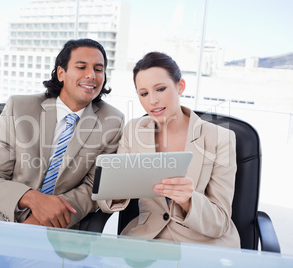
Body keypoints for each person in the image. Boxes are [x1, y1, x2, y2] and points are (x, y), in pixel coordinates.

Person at [0, 38, 124, 229]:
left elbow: (92, 188)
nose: (91, 75)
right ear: (61, 73)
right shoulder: (19, 108)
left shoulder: (112, 121)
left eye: (98, 69)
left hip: (54, 229)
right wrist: (34, 199)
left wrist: (41, 220)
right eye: (81, 67)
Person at [97, 52, 240, 248]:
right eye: (144, 93)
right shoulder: (134, 129)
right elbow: (108, 198)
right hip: (147, 240)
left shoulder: (220, 138)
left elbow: (220, 221)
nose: (153, 100)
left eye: (161, 89)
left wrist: (188, 200)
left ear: (180, 86)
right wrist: (118, 191)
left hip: (201, 243)